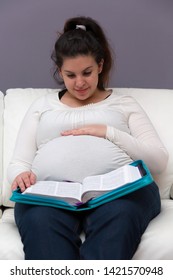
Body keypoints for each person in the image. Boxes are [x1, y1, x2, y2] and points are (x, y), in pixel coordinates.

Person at [7, 16, 168, 260]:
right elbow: (19, 162)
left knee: (121, 216)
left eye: (87, 72)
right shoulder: (43, 105)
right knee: (39, 223)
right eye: (70, 75)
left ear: (100, 66)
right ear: (60, 71)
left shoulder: (123, 103)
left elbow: (158, 161)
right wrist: (20, 176)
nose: (80, 83)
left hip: (120, 193)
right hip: (52, 197)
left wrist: (108, 132)